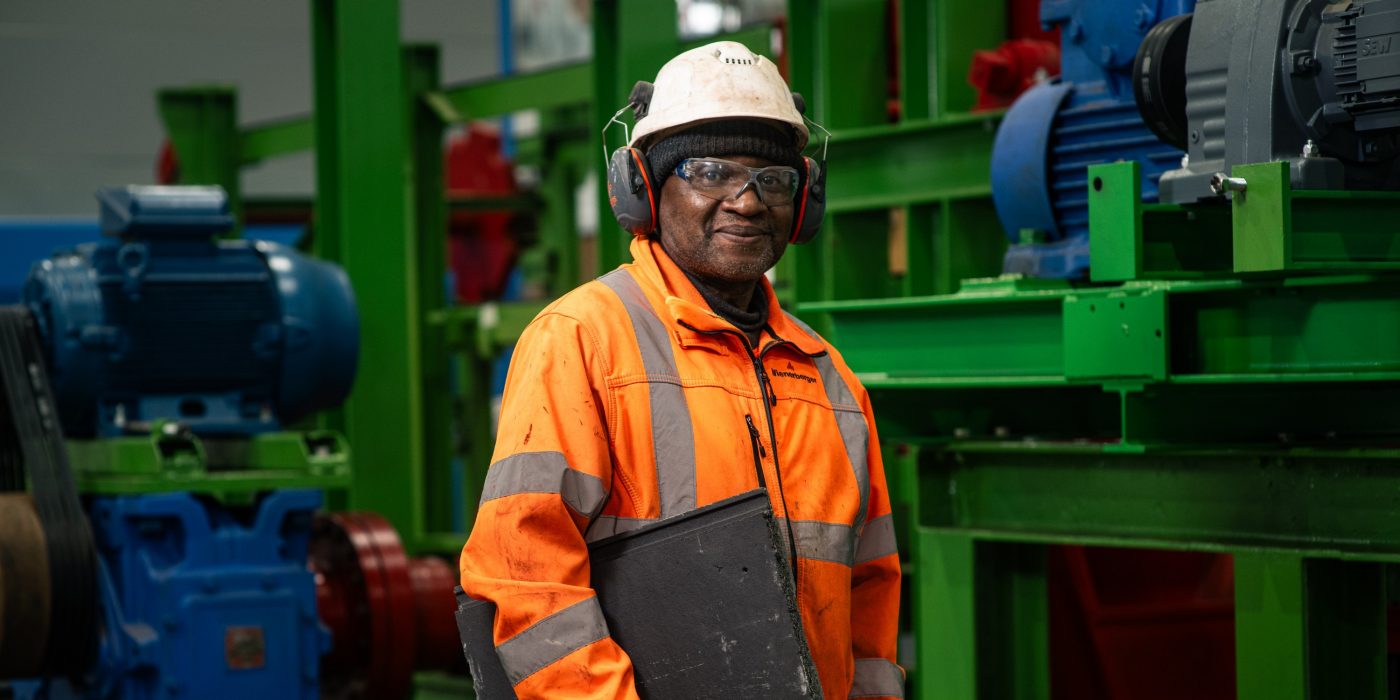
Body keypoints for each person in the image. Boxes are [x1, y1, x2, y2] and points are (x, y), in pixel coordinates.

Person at [459, 40, 902, 700]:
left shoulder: (829, 379)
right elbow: (524, 574)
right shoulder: (582, 341)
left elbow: (869, 592)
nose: (746, 202)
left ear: (804, 202)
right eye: (710, 172)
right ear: (643, 188)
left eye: (772, 179)